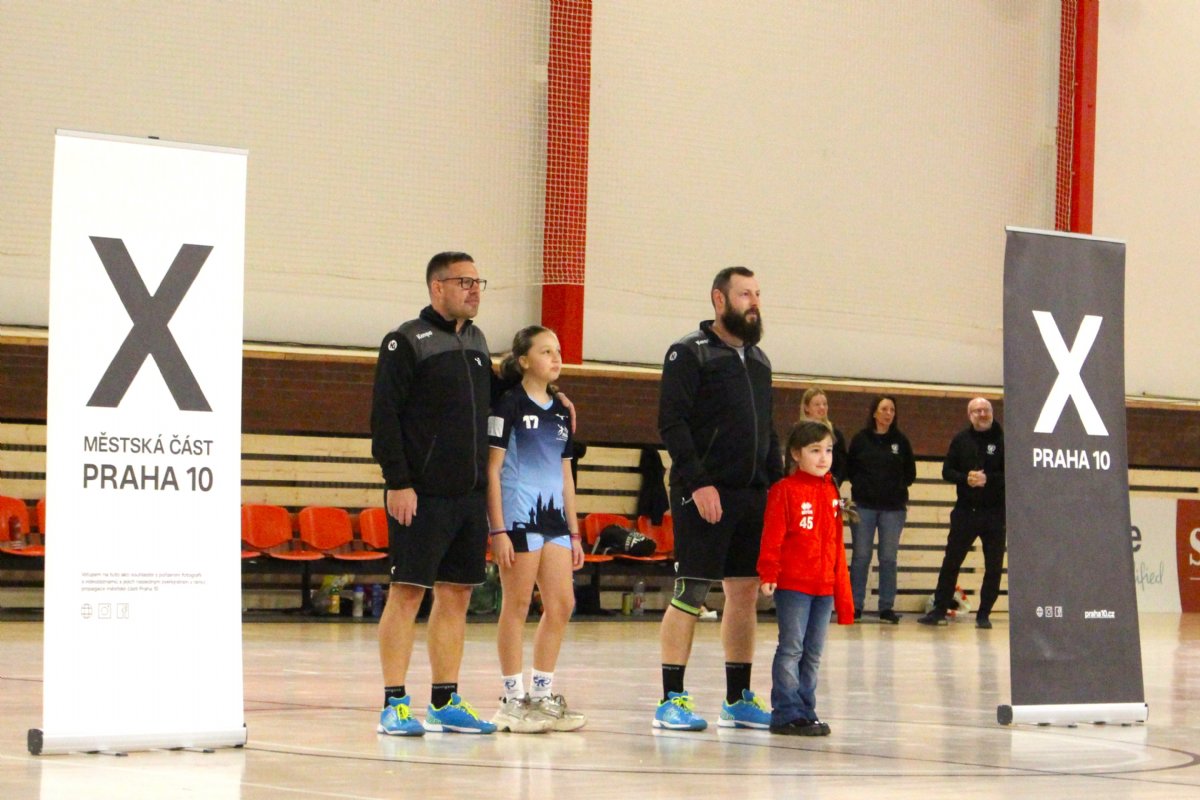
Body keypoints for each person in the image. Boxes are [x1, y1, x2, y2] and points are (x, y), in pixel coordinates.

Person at [371, 252, 498, 736]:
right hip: (420, 494)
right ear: (436, 287)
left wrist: (549, 394)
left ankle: (444, 701)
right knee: (407, 594)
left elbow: (494, 397)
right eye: (464, 281)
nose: (475, 289)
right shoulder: (406, 341)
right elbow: (384, 416)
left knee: (457, 595)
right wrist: (398, 481)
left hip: (469, 496)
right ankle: (394, 704)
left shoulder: (478, 342)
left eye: (478, 281)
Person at [655, 266, 783, 731]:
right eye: (745, 294)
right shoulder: (688, 353)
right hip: (704, 492)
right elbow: (672, 424)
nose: (754, 302)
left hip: (752, 495)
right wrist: (698, 482)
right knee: (691, 591)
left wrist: (778, 489)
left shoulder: (760, 361)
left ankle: (737, 699)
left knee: (743, 594)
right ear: (719, 299)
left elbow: (767, 431)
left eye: (758, 294)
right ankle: (671, 700)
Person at [487, 326, 587, 733]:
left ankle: (542, 696)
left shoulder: (561, 411)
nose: (556, 357)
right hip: (519, 517)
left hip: (555, 521)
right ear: (524, 360)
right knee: (516, 606)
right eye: (546, 351)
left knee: (561, 604)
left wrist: (575, 532)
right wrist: (498, 530)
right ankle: (512, 699)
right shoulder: (508, 404)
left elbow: (566, 475)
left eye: (557, 351)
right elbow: (492, 470)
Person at [758, 421, 855, 736]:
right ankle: (786, 712)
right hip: (794, 585)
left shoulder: (830, 490)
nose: (824, 457)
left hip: (823, 586)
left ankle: (806, 709)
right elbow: (773, 535)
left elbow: (835, 542)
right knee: (792, 648)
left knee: (813, 652)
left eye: (828, 450)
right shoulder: (784, 490)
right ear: (796, 454)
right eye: (815, 450)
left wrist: (838, 583)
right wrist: (769, 571)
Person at [918, 397, 1005, 629]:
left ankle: (984, 614)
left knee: (994, 565)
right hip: (965, 511)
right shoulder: (961, 439)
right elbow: (947, 471)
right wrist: (966, 478)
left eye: (986, 410)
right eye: (977, 411)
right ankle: (939, 611)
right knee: (951, 562)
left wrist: (989, 479)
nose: (982, 414)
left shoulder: (1003, 440)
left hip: (995, 513)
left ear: (992, 413)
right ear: (969, 415)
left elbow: (1013, 473)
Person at [845, 395, 916, 624]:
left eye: (892, 410)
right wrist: (864, 487)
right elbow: (850, 469)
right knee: (861, 556)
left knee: (888, 558)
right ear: (874, 412)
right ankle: (855, 605)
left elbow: (910, 474)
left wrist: (893, 488)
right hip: (863, 507)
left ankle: (886, 607)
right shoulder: (861, 439)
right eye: (884, 409)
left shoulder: (901, 442)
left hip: (893, 509)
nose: (888, 414)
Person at [797, 387, 848, 485]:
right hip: (802, 485)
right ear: (806, 408)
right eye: (817, 404)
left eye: (824, 404)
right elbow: (792, 463)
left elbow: (842, 465)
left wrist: (833, 483)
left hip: (827, 485)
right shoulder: (798, 433)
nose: (822, 407)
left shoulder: (835, 433)